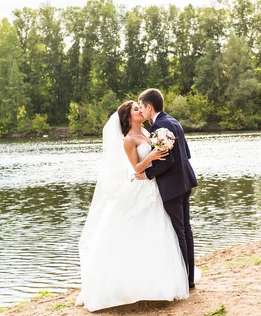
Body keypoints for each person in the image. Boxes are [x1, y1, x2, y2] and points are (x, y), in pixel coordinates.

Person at [76, 100, 193, 312]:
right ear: (129, 117)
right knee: (136, 231)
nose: (140, 110)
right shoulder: (128, 140)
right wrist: (152, 155)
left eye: (140, 107)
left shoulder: (150, 133)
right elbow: (136, 167)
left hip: (155, 188)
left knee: (158, 233)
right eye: (136, 109)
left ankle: (160, 283)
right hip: (141, 188)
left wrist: (158, 153)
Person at [135, 88, 199, 288]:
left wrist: (146, 174)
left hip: (172, 186)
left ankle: (184, 278)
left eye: (142, 107)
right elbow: (186, 153)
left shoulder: (158, 127)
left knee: (179, 230)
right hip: (186, 181)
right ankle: (189, 277)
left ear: (149, 107)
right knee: (186, 230)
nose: (142, 112)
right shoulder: (173, 121)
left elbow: (167, 161)